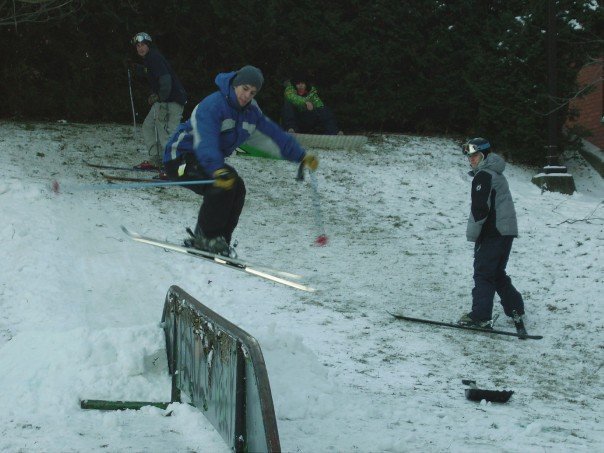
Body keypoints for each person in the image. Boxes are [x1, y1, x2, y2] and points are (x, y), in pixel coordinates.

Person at [163, 65, 319, 257]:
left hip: (208, 162)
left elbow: (274, 136)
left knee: (237, 187)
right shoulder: (214, 104)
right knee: (220, 184)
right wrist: (216, 169)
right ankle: (204, 239)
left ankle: (220, 241)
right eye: (244, 88)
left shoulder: (251, 112)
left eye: (252, 92)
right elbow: (206, 141)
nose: (247, 95)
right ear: (236, 84)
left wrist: (301, 156)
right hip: (179, 158)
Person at [458, 137, 526, 329]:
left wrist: (473, 234)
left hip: (492, 233)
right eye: (469, 157)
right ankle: (515, 308)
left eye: (475, 156)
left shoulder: (484, 176)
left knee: (483, 274)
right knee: (496, 273)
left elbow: (480, 209)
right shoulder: (497, 174)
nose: (471, 160)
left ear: (484, 155)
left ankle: (480, 316)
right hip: (506, 232)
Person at [131, 32, 187, 169]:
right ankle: (156, 159)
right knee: (148, 126)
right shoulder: (150, 59)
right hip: (163, 101)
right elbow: (150, 71)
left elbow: (165, 79)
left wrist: (159, 97)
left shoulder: (154, 57)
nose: (140, 48)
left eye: (143, 45)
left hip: (171, 102)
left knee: (166, 134)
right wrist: (137, 68)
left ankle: (173, 167)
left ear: (148, 45)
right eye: (138, 46)